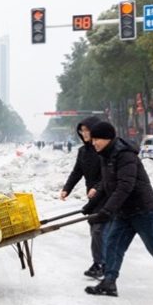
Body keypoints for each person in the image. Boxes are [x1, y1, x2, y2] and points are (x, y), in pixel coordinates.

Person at [82, 121, 153, 297]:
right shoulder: (105, 155)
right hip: (124, 210)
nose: (93, 143)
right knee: (112, 243)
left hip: (142, 209)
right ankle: (109, 282)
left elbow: (125, 186)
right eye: (92, 139)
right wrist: (91, 205)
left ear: (108, 138)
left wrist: (106, 211)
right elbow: (105, 183)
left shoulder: (124, 155)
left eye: (97, 139)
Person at [59, 116, 107, 279]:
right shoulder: (83, 151)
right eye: (82, 130)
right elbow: (77, 172)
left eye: (87, 130)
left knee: (99, 229)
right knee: (96, 229)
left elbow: (109, 174)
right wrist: (67, 189)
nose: (84, 133)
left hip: (107, 193)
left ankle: (100, 263)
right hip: (93, 196)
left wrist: (97, 187)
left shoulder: (102, 149)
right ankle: (101, 262)